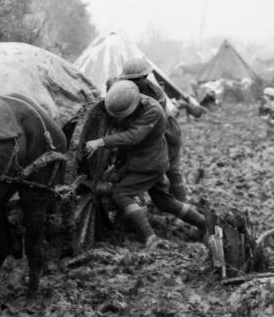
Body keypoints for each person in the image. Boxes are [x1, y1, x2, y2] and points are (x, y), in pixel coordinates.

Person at [85, 80, 206, 248]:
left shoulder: (153, 110)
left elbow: (133, 136)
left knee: (121, 194)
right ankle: (205, 224)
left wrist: (102, 141)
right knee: (164, 202)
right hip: (142, 161)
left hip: (149, 164)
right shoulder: (127, 100)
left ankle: (151, 238)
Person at [119, 57, 191, 201]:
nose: (133, 83)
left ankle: (182, 202)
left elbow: (148, 121)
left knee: (171, 169)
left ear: (145, 77)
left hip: (166, 133)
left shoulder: (156, 94)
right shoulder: (124, 87)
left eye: (137, 80)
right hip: (147, 133)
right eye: (130, 80)